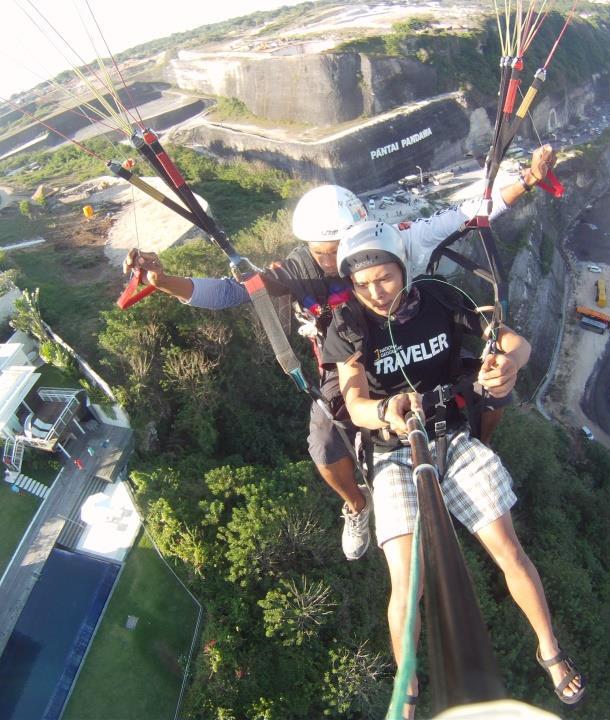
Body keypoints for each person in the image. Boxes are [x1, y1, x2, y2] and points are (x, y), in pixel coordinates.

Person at [125, 146, 558, 561]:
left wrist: (526, 181)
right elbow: (231, 292)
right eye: (322, 253)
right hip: (347, 366)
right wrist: (163, 282)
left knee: (492, 384)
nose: (333, 262)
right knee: (324, 444)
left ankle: (473, 449)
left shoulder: (394, 242)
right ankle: (356, 505)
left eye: (340, 249)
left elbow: (463, 216)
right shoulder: (298, 271)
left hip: (410, 349)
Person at [320, 220, 586, 711]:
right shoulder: (349, 324)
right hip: (392, 447)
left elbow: (511, 340)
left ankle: (549, 650)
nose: (376, 293)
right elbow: (354, 400)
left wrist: (509, 363)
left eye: (385, 278)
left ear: (404, 269)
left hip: (451, 433)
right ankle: (407, 684)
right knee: (408, 579)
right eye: (363, 284)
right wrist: (385, 410)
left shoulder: (440, 298)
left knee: (507, 547)